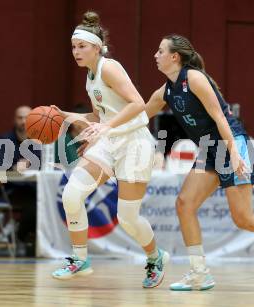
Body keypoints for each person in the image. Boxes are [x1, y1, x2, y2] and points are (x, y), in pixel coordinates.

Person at [145, 34, 254, 291]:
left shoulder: (194, 78)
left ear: (175, 57)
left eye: (160, 51)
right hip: (210, 149)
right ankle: (199, 272)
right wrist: (102, 125)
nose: (155, 55)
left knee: (244, 218)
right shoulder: (165, 91)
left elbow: (220, 117)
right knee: (184, 204)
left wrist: (235, 155)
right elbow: (138, 114)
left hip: (232, 144)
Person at [50, 11, 169, 288]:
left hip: (135, 142)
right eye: (73, 47)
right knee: (71, 194)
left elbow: (138, 103)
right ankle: (80, 258)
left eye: (81, 46)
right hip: (110, 140)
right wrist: (62, 114)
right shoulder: (90, 78)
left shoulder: (109, 67)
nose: (76, 52)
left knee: (127, 217)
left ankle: (155, 257)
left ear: (96, 47)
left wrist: (106, 128)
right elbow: (97, 118)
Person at [0, 105, 41, 256]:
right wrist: (14, 167)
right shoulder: (3, 140)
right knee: (35, 206)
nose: (23, 121)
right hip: (12, 189)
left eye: (27, 118)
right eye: (20, 117)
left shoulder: (39, 142)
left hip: (35, 188)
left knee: (51, 202)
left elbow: (44, 165)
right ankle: (19, 237)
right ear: (14, 120)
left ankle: (27, 238)